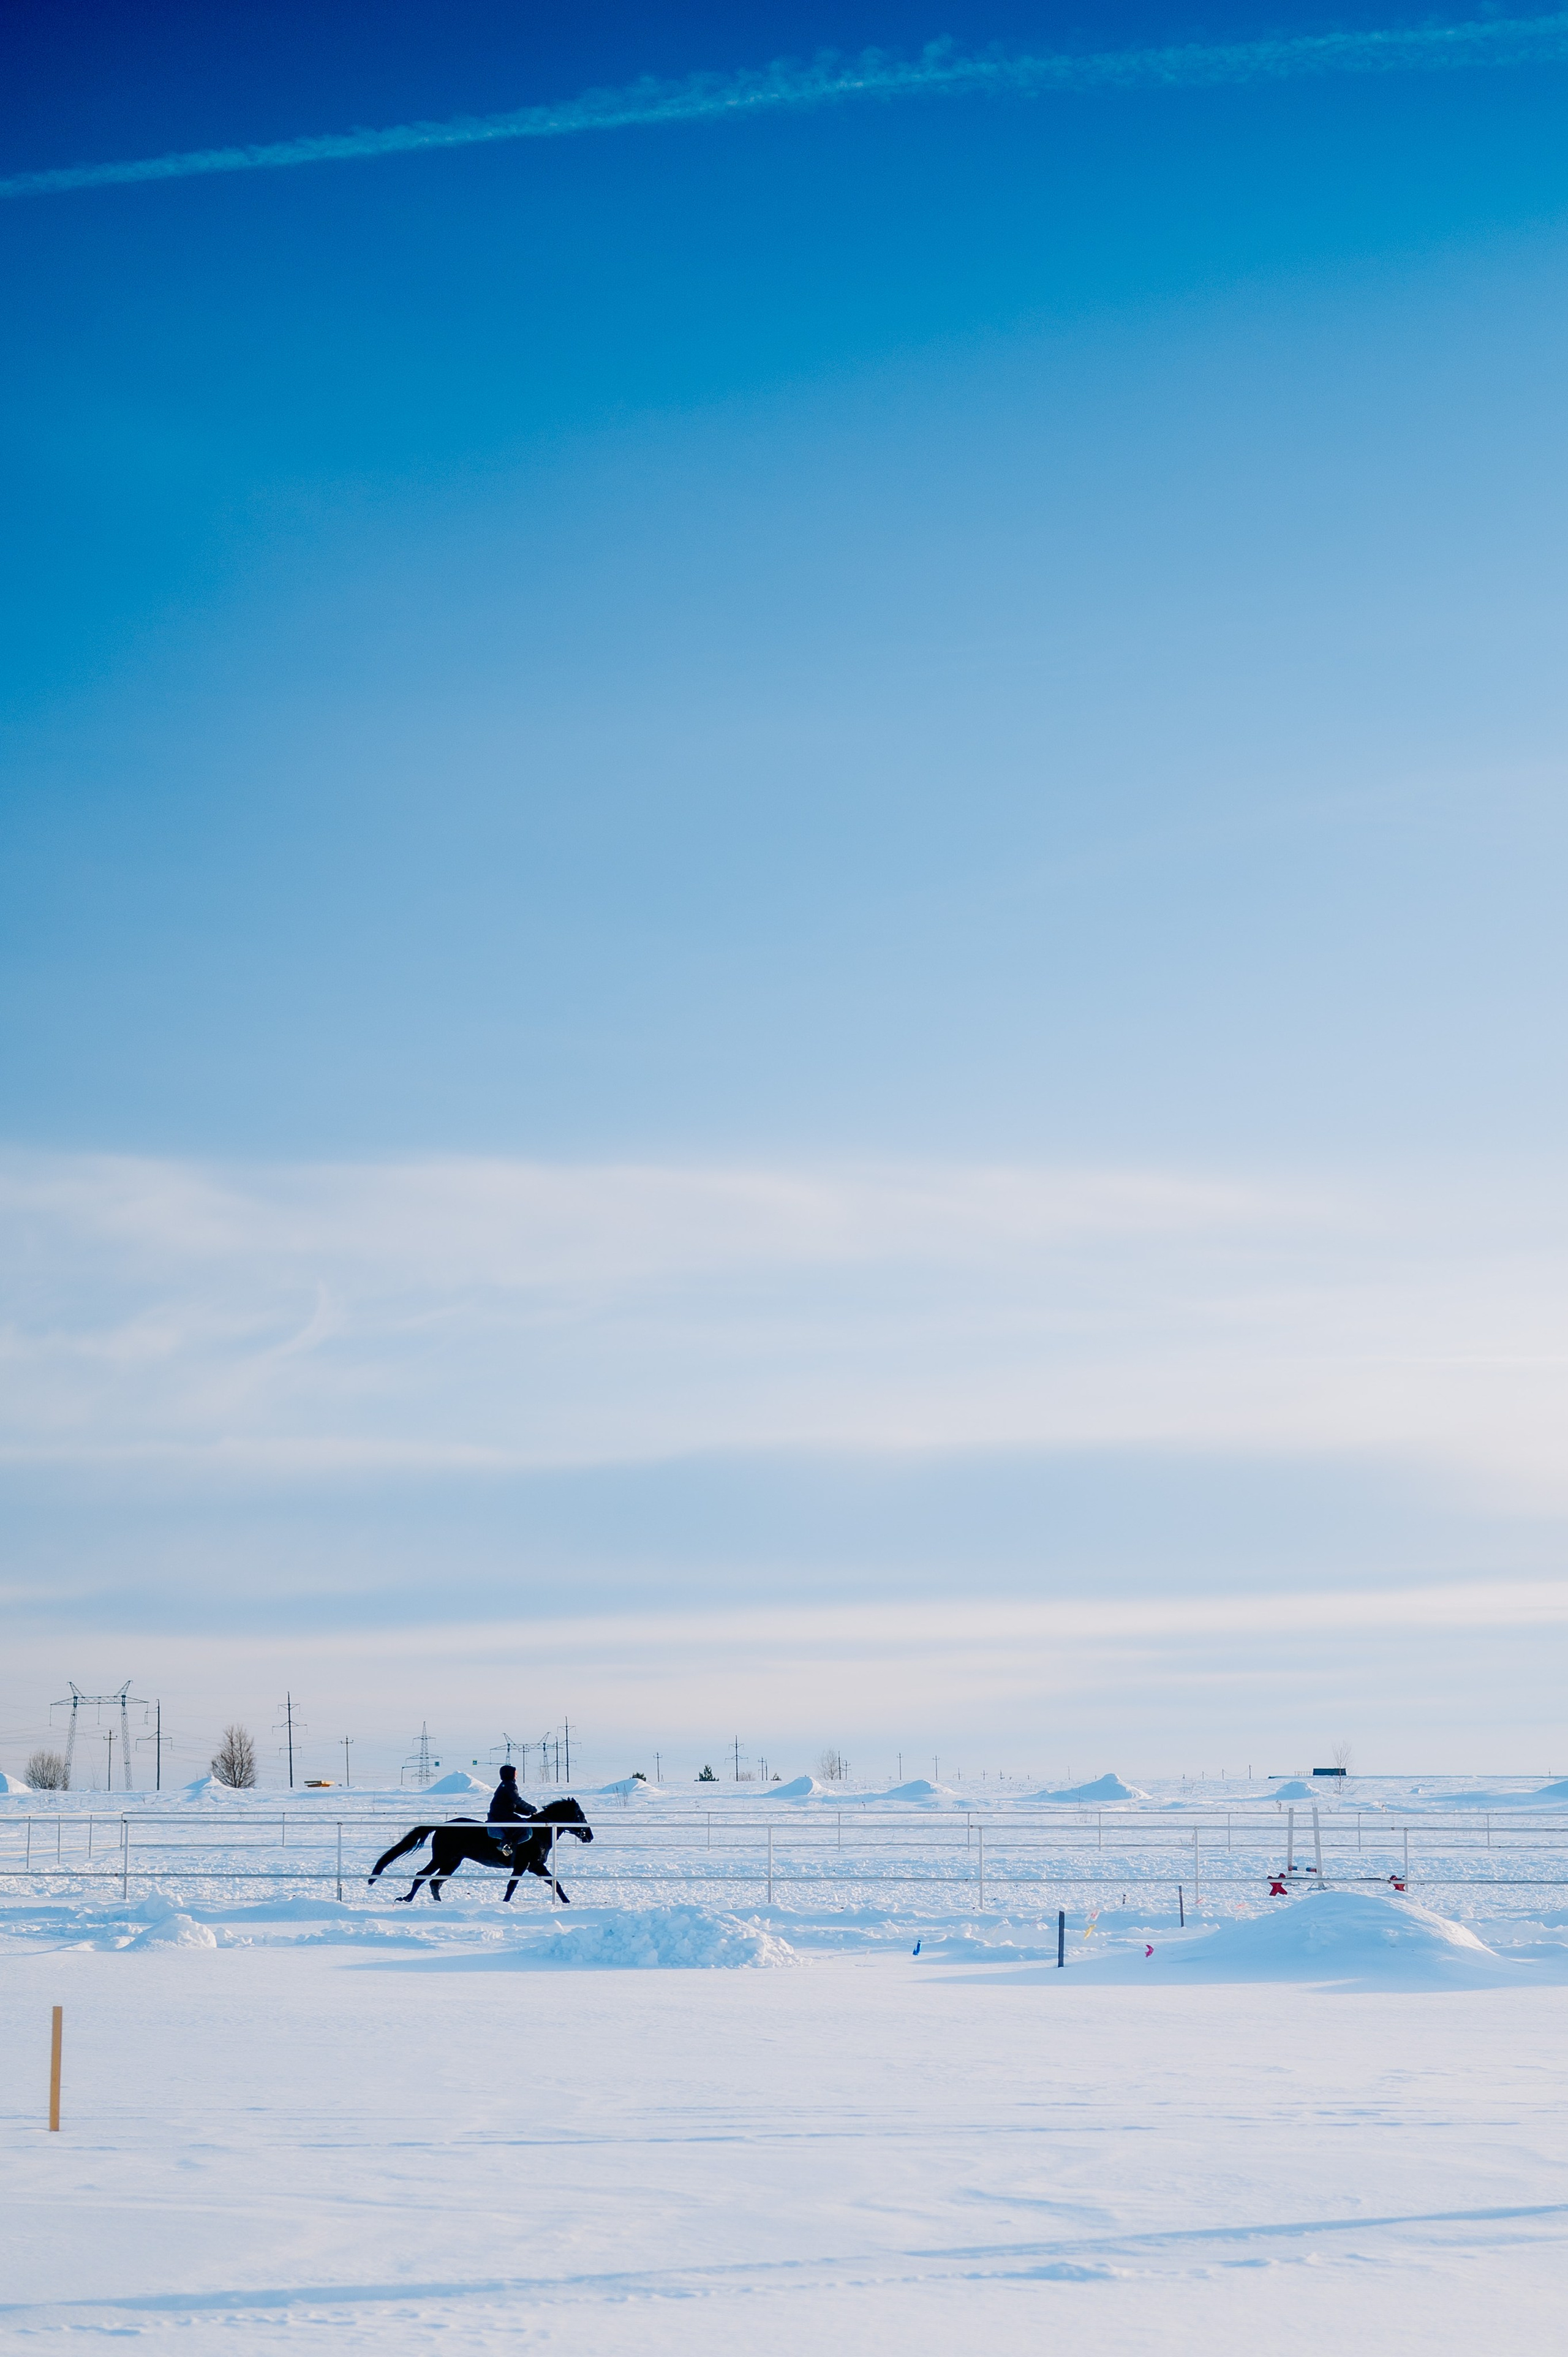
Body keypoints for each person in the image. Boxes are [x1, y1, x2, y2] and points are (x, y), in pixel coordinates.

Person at [486, 1763, 535, 1857]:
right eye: (515, 1773)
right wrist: (532, 1809)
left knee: (519, 1822)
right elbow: (517, 1800)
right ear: (510, 1774)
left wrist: (527, 1812)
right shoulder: (510, 1785)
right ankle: (505, 1844)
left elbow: (512, 1805)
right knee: (522, 1824)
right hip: (502, 1813)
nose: (517, 1776)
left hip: (501, 1812)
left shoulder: (505, 1784)